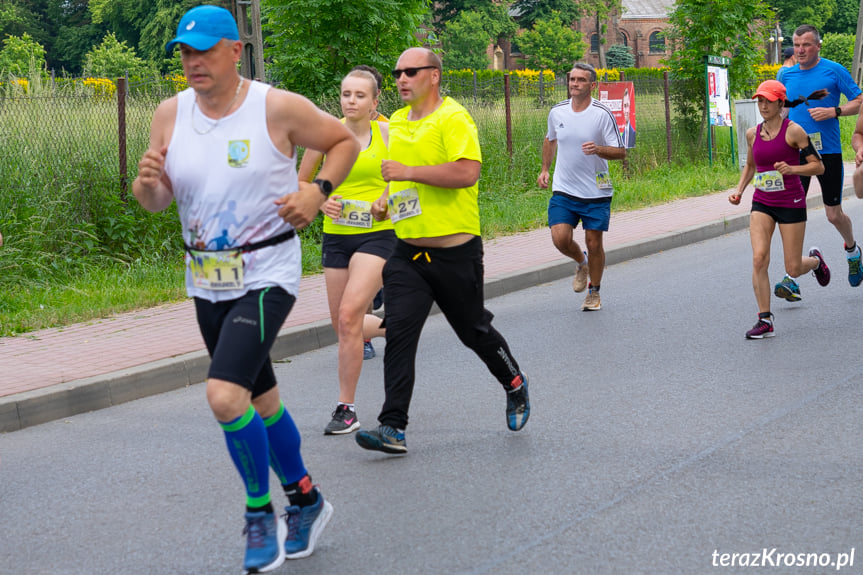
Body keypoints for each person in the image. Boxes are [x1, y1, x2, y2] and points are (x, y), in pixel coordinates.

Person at [132, 6, 360, 574]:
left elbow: (344, 141)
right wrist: (147, 187)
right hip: (206, 277)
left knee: (223, 395)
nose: (193, 62)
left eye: (205, 51)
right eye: (185, 53)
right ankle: (306, 499)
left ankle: (261, 514)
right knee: (261, 400)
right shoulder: (170, 114)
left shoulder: (274, 107)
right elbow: (157, 202)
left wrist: (316, 189)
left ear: (236, 50)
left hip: (266, 272)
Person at [353, 47, 530, 455]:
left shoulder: (453, 117)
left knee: (474, 331)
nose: (401, 79)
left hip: (455, 253)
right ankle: (392, 427)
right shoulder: (396, 121)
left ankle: (515, 383)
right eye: (397, 72)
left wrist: (407, 174)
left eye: (410, 72)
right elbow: (397, 175)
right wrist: (385, 197)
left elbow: (468, 172)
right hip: (408, 254)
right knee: (398, 334)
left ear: (433, 75)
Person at [297, 68, 393, 436]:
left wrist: (386, 199)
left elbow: (405, 178)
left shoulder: (387, 134)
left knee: (352, 312)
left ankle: (344, 407)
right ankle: (395, 327)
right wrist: (321, 202)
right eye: (345, 94)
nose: (351, 101)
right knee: (342, 324)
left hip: (378, 234)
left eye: (359, 95)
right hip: (337, 236)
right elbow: (302, 182)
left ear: (374, 101)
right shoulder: (324, 135)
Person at [729, 80, 829, 339]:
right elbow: (750, 166)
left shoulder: (794, 131)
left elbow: (818, 167)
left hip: (790, 203)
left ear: (780, 103)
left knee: (793, 268)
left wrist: (793, 169)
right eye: (759, 100)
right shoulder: (753, 133)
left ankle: (816, 261)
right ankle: (765, 320)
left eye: (768, 101)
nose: (763, 105)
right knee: (759, 258)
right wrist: (739, 191)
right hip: (762, 202)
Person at [777, 24, 863, 296]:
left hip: (828, 153)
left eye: (806, 44)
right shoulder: (785, 74)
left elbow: (859, 100)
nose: (800, 50)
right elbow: (779, 111)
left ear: (817, 46)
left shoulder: (833, 69)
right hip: (795, 154)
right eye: (796, 44)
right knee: (792, 213)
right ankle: (792, 274)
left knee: (833, 214)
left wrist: (834, 111)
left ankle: (852, 251)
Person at [537, 62, 626, 311]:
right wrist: (545, 169)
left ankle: (594, 292)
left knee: (594, 242)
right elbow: (550, 139)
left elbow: (620, 152)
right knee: (559, 238)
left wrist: (598, 149)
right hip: (564, 188)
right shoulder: (557, 112)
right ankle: (581, 262)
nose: (574, 84)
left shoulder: (601, 113)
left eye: (580, 80)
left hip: (596, 190)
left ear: (592, 85)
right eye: (572, 79)